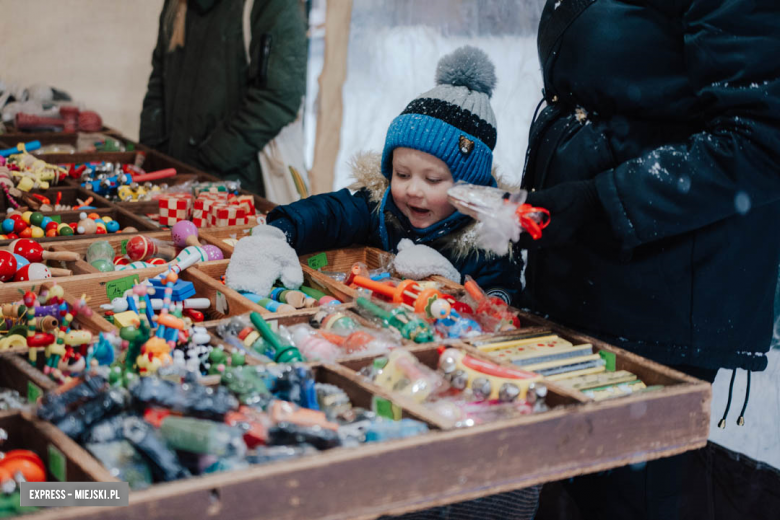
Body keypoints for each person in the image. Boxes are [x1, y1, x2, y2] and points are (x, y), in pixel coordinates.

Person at [515, 1, 780, 518]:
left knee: (633, 496)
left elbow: (760, 139)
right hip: (592, 277)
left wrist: (601, 201)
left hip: (662, 296)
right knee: (573, 489)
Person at [226, 46, 524, 306]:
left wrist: (451, 283)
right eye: (402, 174)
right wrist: (280, 232)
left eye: (432, 180)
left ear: (469, 188)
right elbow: (329, 213)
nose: (412, 190)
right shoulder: (379, 207)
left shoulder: (489, 244)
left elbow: (501, 307)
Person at [139, 0, 307, 197]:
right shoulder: (177, 5)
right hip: (176, 184)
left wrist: (209, 161)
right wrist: (155, 157)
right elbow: (159, 83)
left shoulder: (271, 5)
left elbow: (276, 99)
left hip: (240, 190)